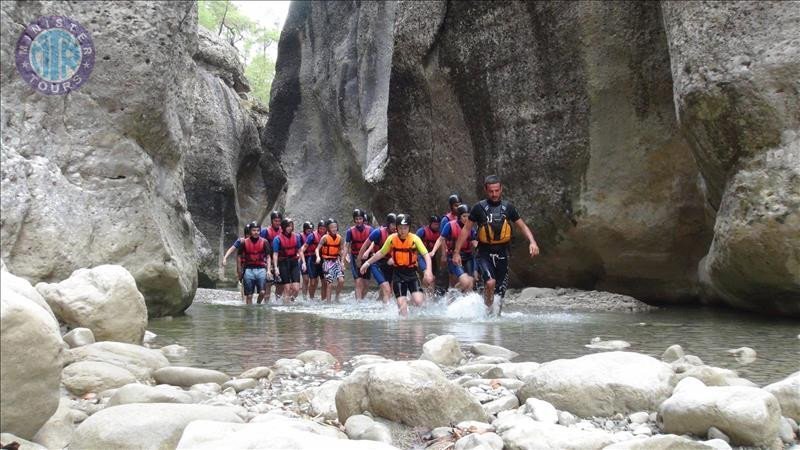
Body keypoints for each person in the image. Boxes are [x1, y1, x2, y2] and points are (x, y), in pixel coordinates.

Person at [453, 175, 540, 315]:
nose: (494, 194)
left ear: (501, 189)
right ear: (486, 190)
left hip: (503, 252)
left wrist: (532, 242)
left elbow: (522, 226)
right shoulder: (478, 208)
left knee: (499, 294)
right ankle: (487, 313)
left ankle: (495, 319)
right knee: (490, 283)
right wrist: (456, 252)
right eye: (491, 191)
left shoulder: (508, 207)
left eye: (497, 190)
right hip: (484, 253)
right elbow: (466, 229)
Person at [361, 214, 433, 317]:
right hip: (398, 275)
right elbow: (381, 253)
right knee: (401, 305)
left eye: (405, 228)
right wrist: (367, 263)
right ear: (396, 228)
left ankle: (412, 306)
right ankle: (403, 329)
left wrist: (428, 271)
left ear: (409, 227)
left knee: (418, 301)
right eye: (400, 228)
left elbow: (426, 255)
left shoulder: (415, 239)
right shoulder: (391, 239)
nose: (403, 230)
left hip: (412, 274)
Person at [221, 221, 271, 304]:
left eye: (257, 231)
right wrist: (225, 258)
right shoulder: (242, 242)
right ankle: (246, 304)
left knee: (262, 292)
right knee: (248, 294)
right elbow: (235, 252)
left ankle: (257, 304)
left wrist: (268, 270)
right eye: (253, 231)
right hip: (247, 267)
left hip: (260, 268)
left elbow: (268, 256)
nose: (255, 232)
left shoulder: (264, 242)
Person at [432, 204, 477, 294]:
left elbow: (474, 242)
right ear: (458, 216)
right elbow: (441, 239)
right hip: (454, 257)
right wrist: (433, 251)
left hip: (467, 256)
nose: (466, 219)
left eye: (468, 216)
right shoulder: (450, 225)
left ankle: (459, 298)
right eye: (464, 216)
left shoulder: (471, 229)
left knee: (471, 282)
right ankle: (452, 294)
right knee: (465, 281)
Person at [357, 213, 397, 304]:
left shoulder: (398, 234)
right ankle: (386, 312)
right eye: (393, 224)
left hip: (389, 264)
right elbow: (365, 245)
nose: (395, 227)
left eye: (396, 224)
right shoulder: (378, 232)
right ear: (388, 224)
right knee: (386, 288)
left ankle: (380, 306)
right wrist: (359, 259)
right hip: (377, 263)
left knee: (389, 290)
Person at [272, 218, 305, 303]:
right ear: (283, 227)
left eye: (291, 226)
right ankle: (286, 307)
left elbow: (300, 251)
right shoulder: (277, 239)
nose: (290, 228)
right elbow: (275, 254)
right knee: (287, 288)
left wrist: (303, 262)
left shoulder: (296, 237)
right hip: (283, 263)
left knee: (296, 289)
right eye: (288, 226)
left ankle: (291, 301)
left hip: (294, 262)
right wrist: (276, 267)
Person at [344, 208, 372, 300]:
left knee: (367, 283)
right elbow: (346, 245)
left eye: (360, 218)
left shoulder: (370, 230)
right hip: (355, 257)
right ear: (354, 220)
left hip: (367, 258)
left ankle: (362, 300)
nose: (358, 221)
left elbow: (374, 243)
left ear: (363, 219)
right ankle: (358, 302)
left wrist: (369, 252)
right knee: (358, 281)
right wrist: (344, 258)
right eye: (356, 219)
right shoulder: (350, 231)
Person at [315, 218, 345, 302]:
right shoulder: (325, 238)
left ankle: (337, 297)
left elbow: (342, 251)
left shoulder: (340, 238)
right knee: (329, 283)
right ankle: (328, 302)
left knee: (341, 281)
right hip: (327, 262)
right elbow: (317, 249)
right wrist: (318, 257)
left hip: (336, 261)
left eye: (335, 227)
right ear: (328, 228)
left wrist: (342, 262)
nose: (334, 229)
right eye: (332, 227)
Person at [261, 210, 284, 301]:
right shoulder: (265, 231)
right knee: (268, 282)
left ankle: (277, 301)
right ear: (271, 221)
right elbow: (261, 245)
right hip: (268, 259)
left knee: (280, 282)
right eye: (275, 221)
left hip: (280, 259)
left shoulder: (283, 231)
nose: (277, 223)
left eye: (279, 221)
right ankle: (266, 302)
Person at [299, 220, 325, 301]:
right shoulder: (307, 236)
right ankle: (305, 297)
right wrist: (302, 261)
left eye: (311, 230)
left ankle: (319, 298)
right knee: (307, 280)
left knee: (319, 281)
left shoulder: (326, 236)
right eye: (308, 230)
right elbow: (301, 249)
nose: (309, 231)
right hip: (309, 259)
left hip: (320, 259)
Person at [415, 215, 441, 291]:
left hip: (432, 258)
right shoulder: (422, 231)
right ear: (430, 223)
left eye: (438, 224)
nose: (437, 226)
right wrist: (415, 259)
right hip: (421, 257)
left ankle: (428, 295)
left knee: (433, 278)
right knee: (429, 276)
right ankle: (426, 294)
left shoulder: (440, 233)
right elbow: (413, 244)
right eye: (435, 224)